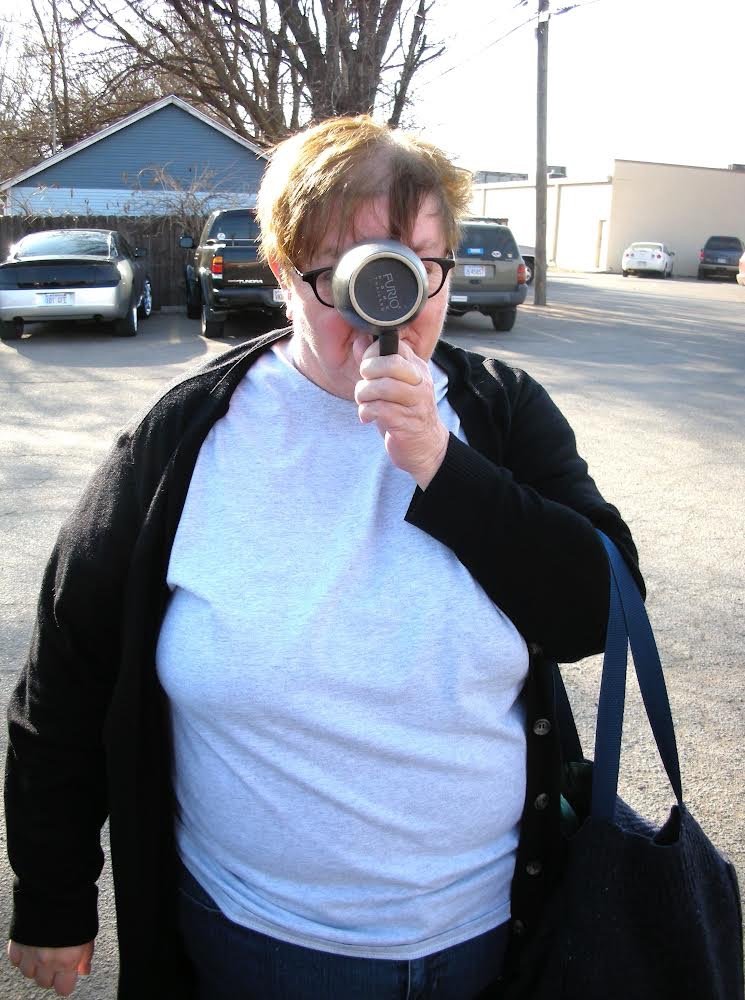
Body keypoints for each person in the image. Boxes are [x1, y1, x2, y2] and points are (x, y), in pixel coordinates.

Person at [5, 115, 642, 1000]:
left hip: (491, 936)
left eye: (420, 269)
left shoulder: (499, 412)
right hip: (256, 944)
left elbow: (599, 614)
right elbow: (66, 673)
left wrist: (442, 467)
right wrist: (53, 895)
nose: (394, 304)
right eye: (355, 271)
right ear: (282, 275)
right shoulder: (186, 438)